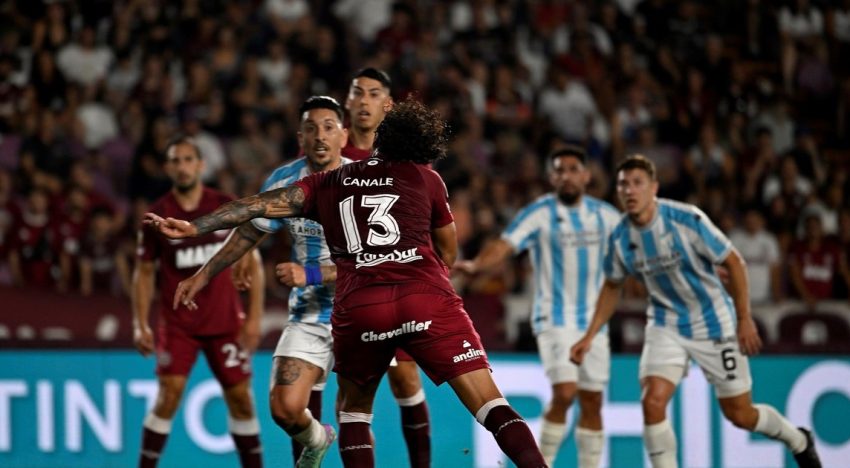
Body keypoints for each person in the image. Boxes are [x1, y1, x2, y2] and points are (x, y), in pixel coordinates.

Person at [144, 98, 547, 468]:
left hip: (360, 307)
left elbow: (255, 207)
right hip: (422, 297)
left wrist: (195, 227)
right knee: (490, 404)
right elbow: (448, 251)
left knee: (354, 413)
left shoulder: (326, 183)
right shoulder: (426, 178)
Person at [569, 155, 821, 468]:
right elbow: (612, 285)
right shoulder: (620, 237)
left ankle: (798, 439)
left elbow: (734, 262)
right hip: (665, 324)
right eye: (623, 185)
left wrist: (744, 318)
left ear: (654, 188)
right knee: (652, 401)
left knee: (740, 414)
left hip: (713, 322)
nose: (630, 191)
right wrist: (589, 335)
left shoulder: (686, 219)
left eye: (637, 183)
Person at [164, 96, 349, 468]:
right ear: (300, 137)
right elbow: (249, 230)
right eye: (311, 128)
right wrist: (203, 275)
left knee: (356, 414)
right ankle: (318, 439)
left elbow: (377, 261)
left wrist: (312, 274)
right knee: (285, 408)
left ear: (344, 136)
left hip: (363, 309)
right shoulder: (285, 180)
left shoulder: (364, 182)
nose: (320, 136)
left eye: (329, 127)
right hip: (312, 311)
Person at [456, 145, 621, 468]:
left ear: (586, 176)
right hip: (554, 320)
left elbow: (634, 250)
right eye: (560, 170)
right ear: (552, 177)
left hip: (594, 323)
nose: (566, 176)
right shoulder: (540, 213)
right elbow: (505, 244)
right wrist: (477, 264)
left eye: (573, 170)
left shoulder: (607, 216)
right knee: (565, 393)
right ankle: (542, 463)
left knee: (592, 401)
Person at [132, 136, 264, 468]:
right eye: (175, 161)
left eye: (188, 159)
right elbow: (144, 272)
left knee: (241, 400)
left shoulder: (224, 205)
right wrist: (139, 323)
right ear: (167, 168)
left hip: (224, 322)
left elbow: (254, 263)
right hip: (179, 325)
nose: (182, 167)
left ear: (201, 165)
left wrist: (253, 319)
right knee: (168, 396)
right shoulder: (158, 216)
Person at [343, 67, 433, 467]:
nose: (364, 101)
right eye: (358, 92)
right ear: (348, 101)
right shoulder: (329, 153)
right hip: (340, 291)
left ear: (389, 105)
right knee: (346, 397)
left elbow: (428, 219)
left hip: (394, 285)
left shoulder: (406, 157)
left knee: (405, 379)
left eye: (374, 93)